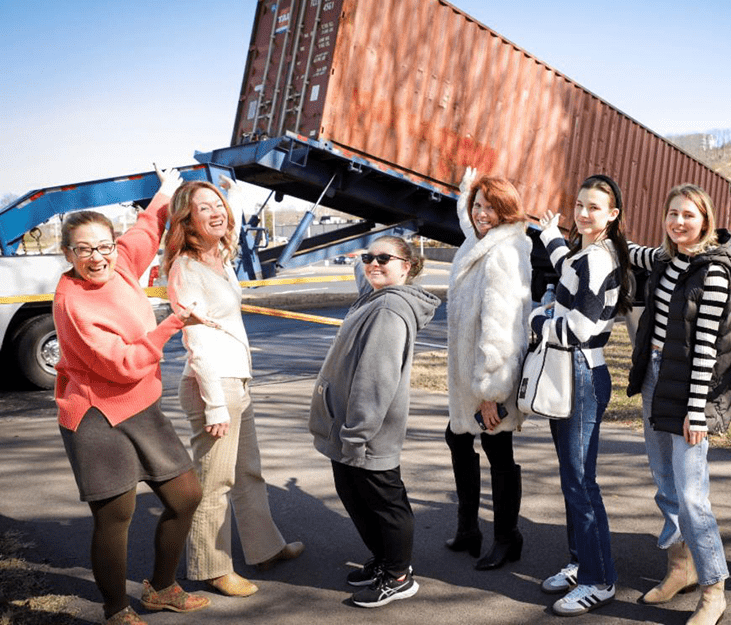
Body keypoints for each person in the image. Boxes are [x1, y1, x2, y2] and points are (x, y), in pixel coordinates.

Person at [53, 167, 211, 625]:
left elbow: (148, 227)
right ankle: (115, 609)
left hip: (140, 404)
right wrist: (173, 323)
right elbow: (121, 364)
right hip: (95, 413)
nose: (97, 258)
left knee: (185, 496)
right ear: (68, 254)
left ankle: (162, 589)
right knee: (116, 514)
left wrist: (166, 186)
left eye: (104, 246)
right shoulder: (73, 303)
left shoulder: (120, 263)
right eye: (84, 250)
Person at [164, 181, 303, 598]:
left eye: (218, 205)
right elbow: (198, 342)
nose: (216, 212)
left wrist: (233, 196)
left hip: (236, 380)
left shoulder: (218, 259)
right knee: (215, 482)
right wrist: (214, 407)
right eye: (203, 208)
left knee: (247, 472)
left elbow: (231, 225)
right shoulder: (185, 270)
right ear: (186, 220)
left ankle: (265, 548)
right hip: (214, 387)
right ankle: (210, 567)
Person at [625, 183, 731, 625]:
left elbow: (708, 351)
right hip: (657, 378)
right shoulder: (665, 259)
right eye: (672, 213)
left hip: (692, 387)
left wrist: (697, 411)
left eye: (688, 215)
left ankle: (714, 590)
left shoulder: (713, 272)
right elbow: (629, 249)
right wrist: (590, 224)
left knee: (693, 497)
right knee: (665, 485)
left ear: (705, 220)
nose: (678, 222)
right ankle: (681, 569)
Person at [308, 236, 440, 608]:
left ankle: (398, 576)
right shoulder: (373, 297)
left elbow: (375, 380)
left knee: (385, 504)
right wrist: (368, 255)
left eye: (385, 258)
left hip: (365, 433)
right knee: (357, 497)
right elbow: (364, 270)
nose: (374, 263)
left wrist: (356, 434)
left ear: (407, 267)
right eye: (369, 256)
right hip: (348, 428)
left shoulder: (388, 311)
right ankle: (385, 561)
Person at [534, 175, 631, 617]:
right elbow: (568, 265)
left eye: (594, 207)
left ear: (612, 215)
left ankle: (599, 579)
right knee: (572, 478)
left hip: (581, 373)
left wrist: (536, 321)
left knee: (581, 483)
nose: (583, 213)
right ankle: (580, 563)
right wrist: (551, 236)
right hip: (573, 374)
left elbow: (579, 328)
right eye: (580, 205)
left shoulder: (596, 258)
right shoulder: (586, 254)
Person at [444, 168, 532, 569]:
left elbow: (501, 327)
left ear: (506, 212)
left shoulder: (505, 251)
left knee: (498, 451)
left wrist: (492, 393)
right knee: (459, 439)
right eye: (477, 207)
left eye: (490, 208)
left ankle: (506, 536)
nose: (481, 214)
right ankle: (468, 529)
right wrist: (468, 191)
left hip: (488, 379)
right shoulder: (478, 242)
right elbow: (468, 218)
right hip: (467, 379)